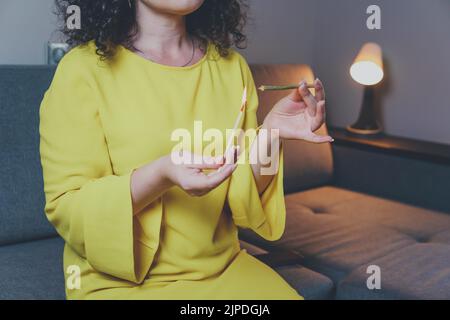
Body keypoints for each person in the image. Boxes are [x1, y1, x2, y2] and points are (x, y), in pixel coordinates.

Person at [40, 0, 332, 299]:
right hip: (120, 282)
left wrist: (272, 135)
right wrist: (160, 175)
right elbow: (68, 208)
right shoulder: (82, 70)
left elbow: (241, 199)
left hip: (223, 270)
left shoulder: (231, 67)